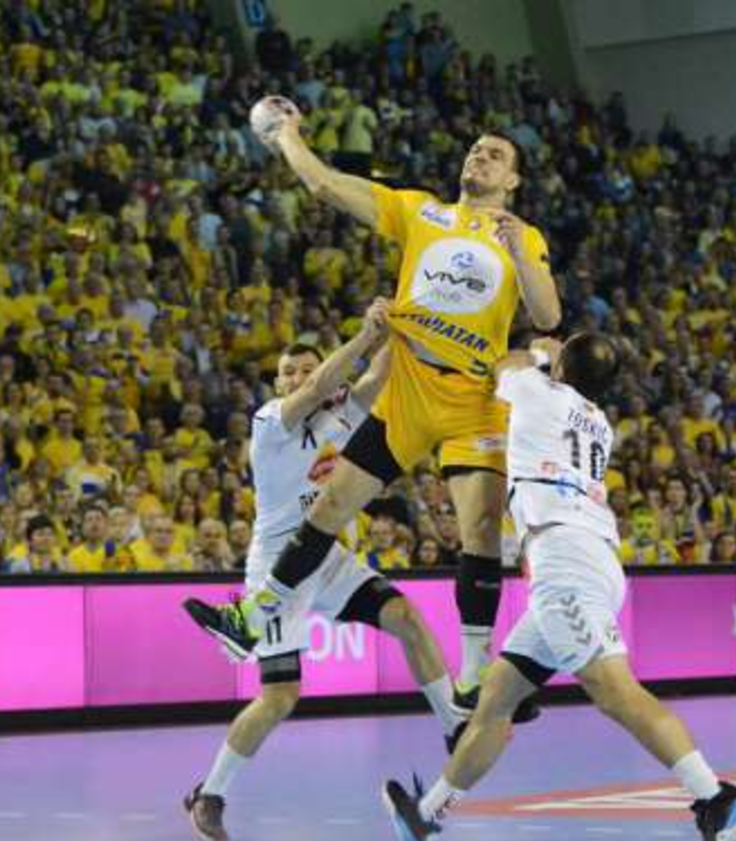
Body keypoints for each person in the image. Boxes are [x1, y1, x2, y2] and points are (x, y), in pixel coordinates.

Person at [190, 97, 561, 711]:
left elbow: (546, 315)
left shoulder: (524, 237)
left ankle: (474, 675)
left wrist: (519, 251)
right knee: (329, 506)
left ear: (513, 180)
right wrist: (286, 136)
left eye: (495, 155)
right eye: (476, 149)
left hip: (473, 399)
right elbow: (325, 184)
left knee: (479, 530)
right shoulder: (421, 211)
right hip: (409, 389)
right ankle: (253, 617)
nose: (480, 157)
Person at [382, 335, 736, 841]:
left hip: (564, 562)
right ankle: (425, 816)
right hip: (589, 555)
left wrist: (540, 353)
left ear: (560, 369)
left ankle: (714, 796)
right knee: (497, 698)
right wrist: (554, 359)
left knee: (615, 692)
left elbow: (503, 363)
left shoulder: (537, 391)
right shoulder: (598, 421)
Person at [182, 302, 466, 841]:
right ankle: (210, 793)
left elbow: (379, 374)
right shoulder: (271, 421)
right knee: (280, 697)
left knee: (407, 618)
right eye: (286, 372)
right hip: (278, 568)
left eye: (303, 368)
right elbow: (318, 386)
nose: (295, 378)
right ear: (277, 383)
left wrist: (404, 320)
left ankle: (454, 725)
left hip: (328, 559)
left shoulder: (345, 414)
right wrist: (365, 335)